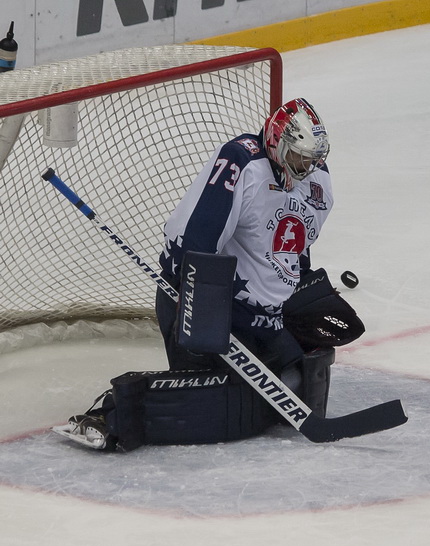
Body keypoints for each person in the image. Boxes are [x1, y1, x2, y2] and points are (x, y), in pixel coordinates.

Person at [53, 98, 365, 452]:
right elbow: (191, 242)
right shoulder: (242, 163)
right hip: (209, 302)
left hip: (269, 319)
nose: (308, 167)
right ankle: (111, 415)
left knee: (297, 381)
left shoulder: (318, 182)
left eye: (314, 158)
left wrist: (300, 294)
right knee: (218, 400)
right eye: (300, 156)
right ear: (278, 142)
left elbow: (296, 249)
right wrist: (204, 311)